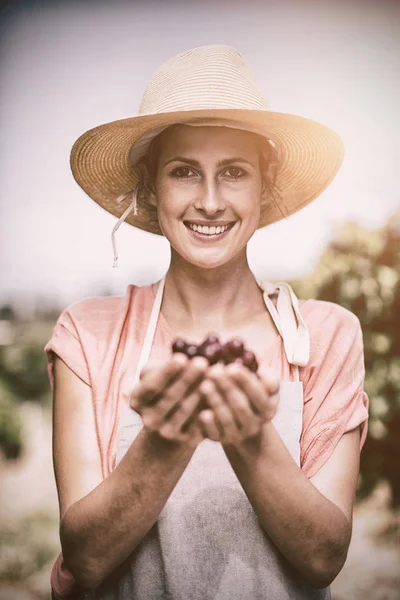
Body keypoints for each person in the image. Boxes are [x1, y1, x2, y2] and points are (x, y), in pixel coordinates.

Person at [45, 45, 369, 600]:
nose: (211, 201)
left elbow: (323, 558)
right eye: (185, 172)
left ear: (264, 188)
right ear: (152, 188)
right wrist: (166, 442)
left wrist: (249, 439)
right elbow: (88, 559)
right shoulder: (88, 334)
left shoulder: (327, 335)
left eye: (235, 172)